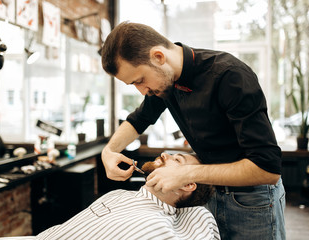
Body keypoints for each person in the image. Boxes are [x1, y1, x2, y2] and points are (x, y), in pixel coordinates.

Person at [100, 21, 286, 240]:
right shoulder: (163, 85)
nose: (143, 91)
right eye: (134, 85)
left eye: (140, 81)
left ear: (158, 57)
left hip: (251, 200)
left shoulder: (229, 76)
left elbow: (267, 169)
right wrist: (109, 151)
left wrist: (186, 173)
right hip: (207, 194)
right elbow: (139, 119)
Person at [0, 152, 220, 240]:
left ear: (188, 184)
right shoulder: (118, 194)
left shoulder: (157, 227)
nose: (164, 154)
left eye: (177, 160)